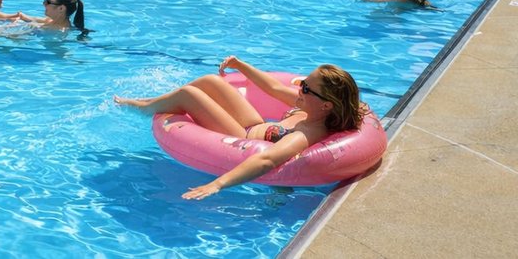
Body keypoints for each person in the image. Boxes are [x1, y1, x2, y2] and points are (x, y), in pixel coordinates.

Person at [113, 55, 366, 200]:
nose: (300, 88)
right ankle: (153, 102)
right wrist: (241, 65)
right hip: (256, 124)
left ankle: (144, 108)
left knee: (190, 95)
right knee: (210, 81)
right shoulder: (309, 106)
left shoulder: (307, 133)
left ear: (327, 105)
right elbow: (273, 88)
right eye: (303, 83)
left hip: (242, 138)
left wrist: (218, 184)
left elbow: (267, 160)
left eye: (307, 88)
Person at [15, 0, 88, 34]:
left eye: (48, 1)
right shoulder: (51, 21)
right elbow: (32, 18)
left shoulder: (58, 31)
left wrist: (27, 26)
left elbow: (15, 37)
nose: (44, 3)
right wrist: (21, 16)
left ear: (61, 8)